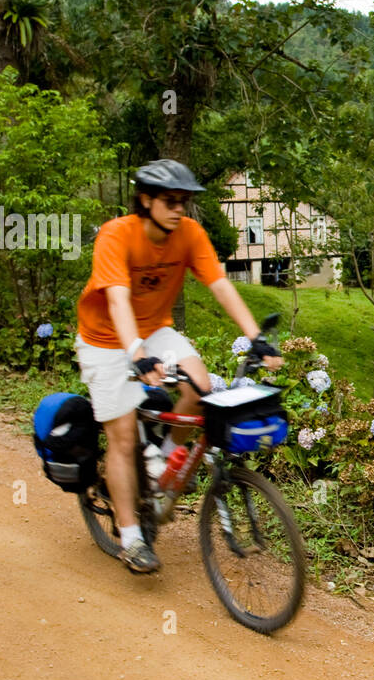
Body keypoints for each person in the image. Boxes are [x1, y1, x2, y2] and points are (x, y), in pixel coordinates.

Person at [75, 159, 283, 573]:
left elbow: (220, 284)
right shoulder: (118, 235)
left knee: (201, 387)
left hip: (154, 331)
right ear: (146, 200)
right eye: (170, 201)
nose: (179, 209)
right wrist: (135, 352)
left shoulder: (188, 234)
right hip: (105, 339)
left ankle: (162, 458)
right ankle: (132, 539)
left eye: (184, 201)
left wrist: (255, 337)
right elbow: (117, 299)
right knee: (121, 439)